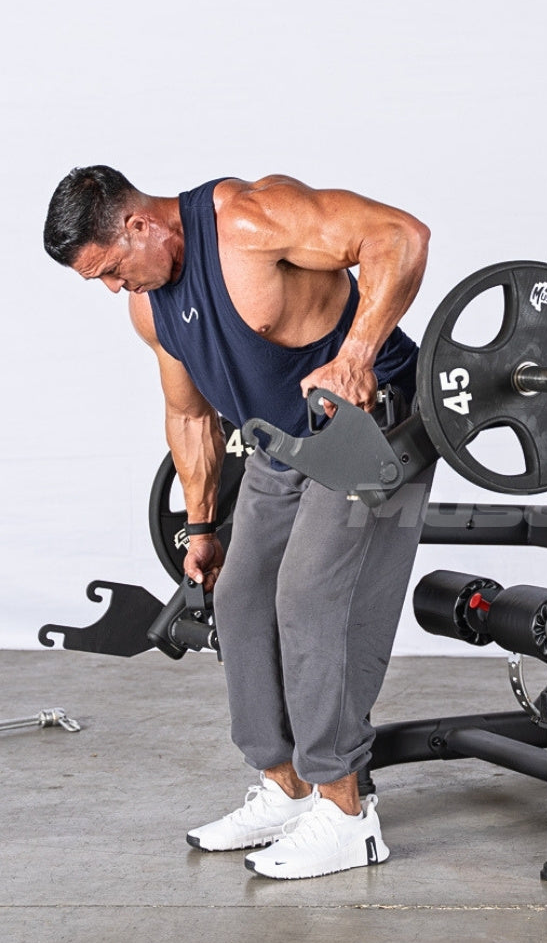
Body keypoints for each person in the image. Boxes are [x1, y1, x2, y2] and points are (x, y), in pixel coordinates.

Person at [43, 166, 433, 879]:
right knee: (241, 595)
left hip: (378, 428)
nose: (111, 289)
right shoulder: (149, 307)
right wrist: (201, 527)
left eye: (109, 270)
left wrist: (356, 356)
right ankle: (284, 790)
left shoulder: (248, 223)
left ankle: (348, 814)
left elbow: (399, 235)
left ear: (137, 226)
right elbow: (190, 415)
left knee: (310, 594)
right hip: (282, 443)